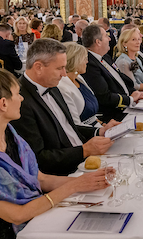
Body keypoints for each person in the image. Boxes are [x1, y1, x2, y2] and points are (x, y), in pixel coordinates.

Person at [0, 69, 109, 238]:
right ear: (3, 104)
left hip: (36, 218)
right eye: (17, 94)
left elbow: (41, 179)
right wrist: (74, 186)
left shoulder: (10, 135)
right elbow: (18, 215)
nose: (22, 98)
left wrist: (87, 181)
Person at [10, 39, 120, 175]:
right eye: (59, 68)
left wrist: (100, 131)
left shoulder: (52, 86)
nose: (64, 74)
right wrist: (84, 150)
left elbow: (68, 128)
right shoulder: (20, 101)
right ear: (38, 67)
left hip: (82, 159)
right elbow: (38, 158)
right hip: (65, 172)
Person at [82, 24, 143, 122]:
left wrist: (134, 92)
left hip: (127, 104)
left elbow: (121, 79)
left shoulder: (105, 57)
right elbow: (104, 97)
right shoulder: (89, 64)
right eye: (106, 36)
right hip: (115, 114)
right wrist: (130, 99)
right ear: (98, 42)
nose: (109, 39)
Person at [58, 42, 100, 127]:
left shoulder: (79, 78)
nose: (87, 62)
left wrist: (104, 125)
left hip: (96, 127)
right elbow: (75, 124)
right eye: (84, 58)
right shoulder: (63, 87)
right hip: (85, 134)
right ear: (75, 60)